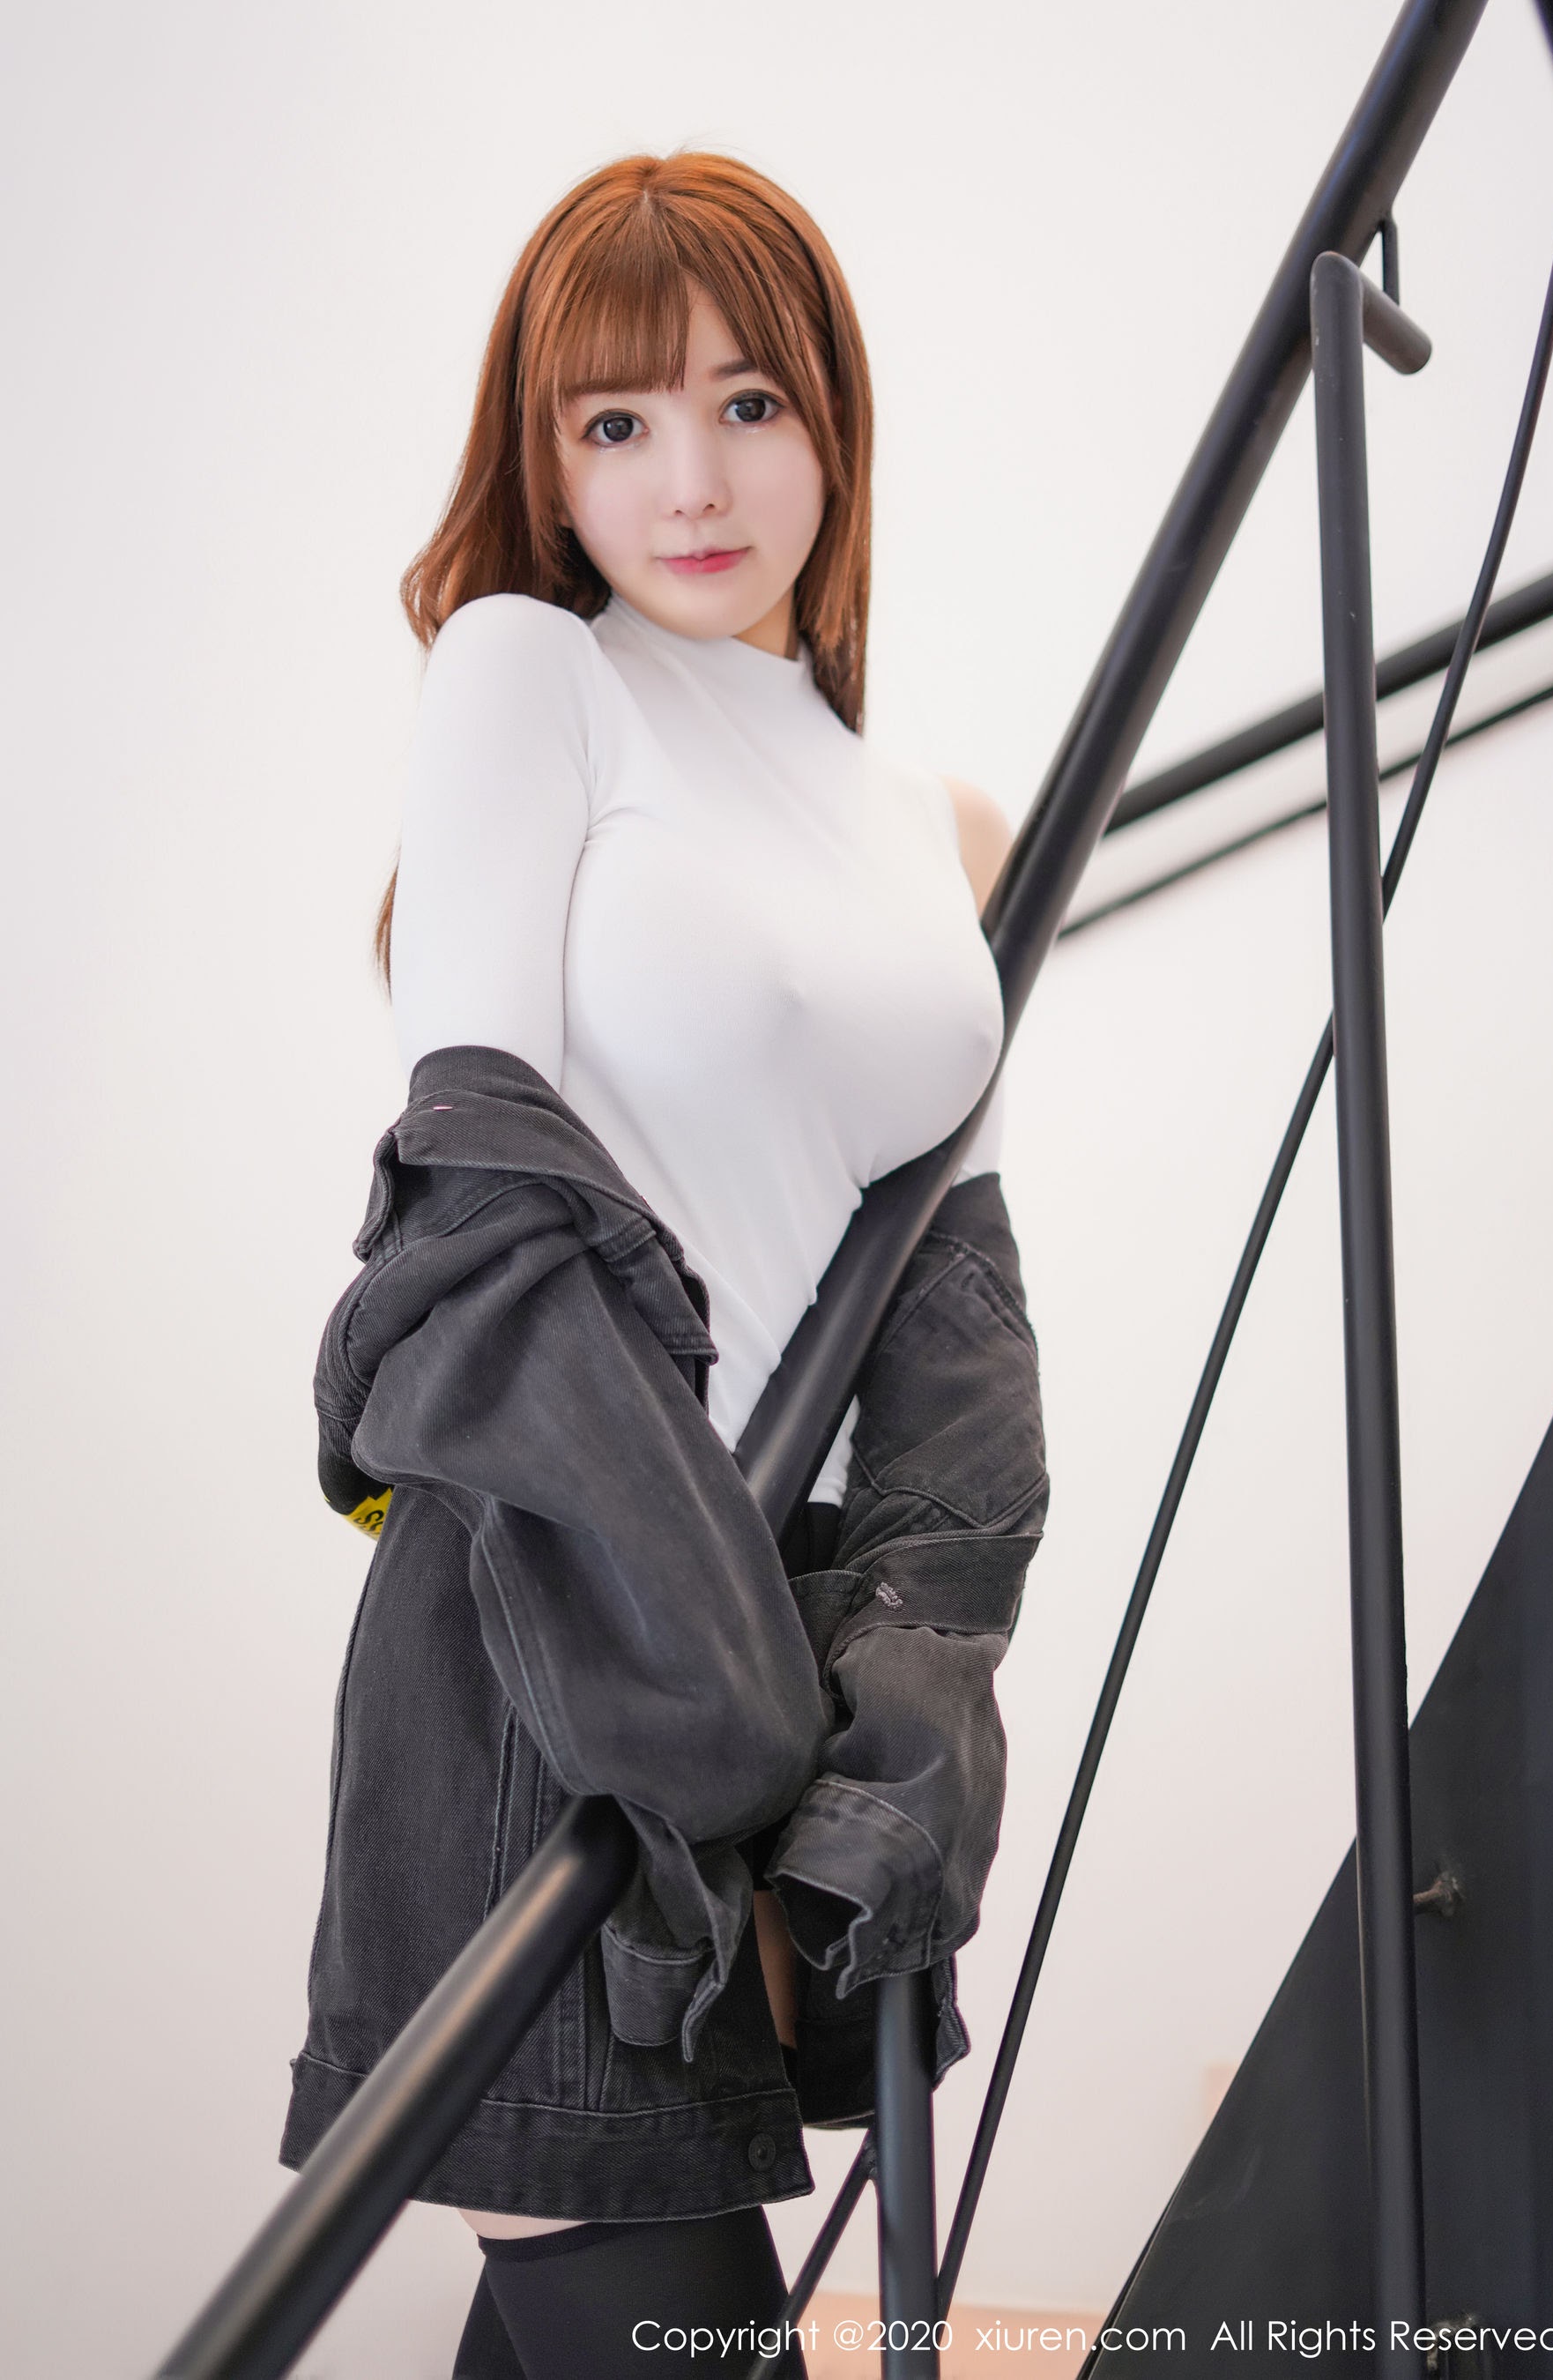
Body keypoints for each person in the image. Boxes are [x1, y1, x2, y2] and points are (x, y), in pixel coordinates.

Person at [281, 151, 1049, 2378]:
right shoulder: (530, 673)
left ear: (833, 417)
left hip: (779, 1668)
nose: (690, 481)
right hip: (554, 1646)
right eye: (615, 421)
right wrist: (721, 1706)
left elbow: (954, 1321)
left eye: (747, 403)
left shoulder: (935, 826)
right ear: (544, 459)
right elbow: (481, 1207)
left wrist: (904, 1688)